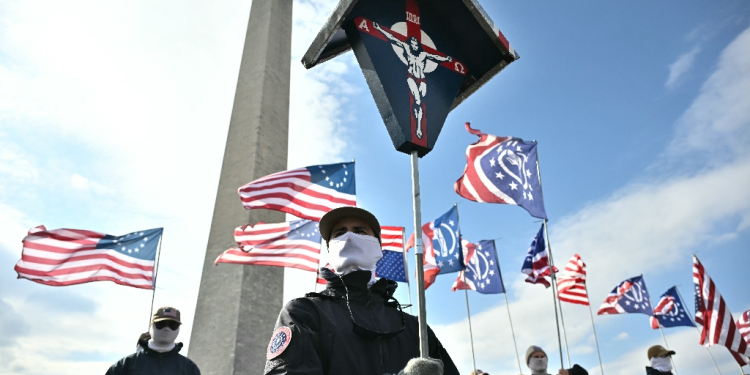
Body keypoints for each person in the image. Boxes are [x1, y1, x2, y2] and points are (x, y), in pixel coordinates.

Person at [264, 206, 460, 375]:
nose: (349, 237)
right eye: (339, 233)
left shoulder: (415, 329)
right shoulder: (304, 313)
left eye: (360, 231)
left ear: (378, 246)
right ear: (330, 251)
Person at [106, 306, 201, 375]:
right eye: (161, 324)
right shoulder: (125, 365)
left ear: (178, 329)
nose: (166, 329)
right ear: (151, 327)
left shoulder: (189, 368)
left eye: (172, 325)